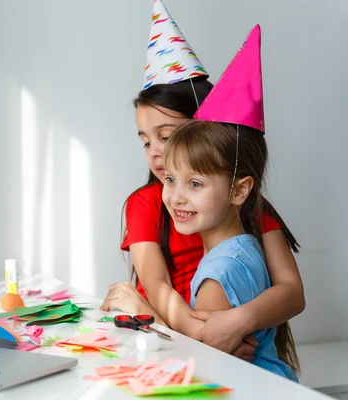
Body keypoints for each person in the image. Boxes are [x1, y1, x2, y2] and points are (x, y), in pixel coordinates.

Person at [101, 1, 304, 362]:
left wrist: (236, 323)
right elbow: (156, 286)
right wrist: (202, 335)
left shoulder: (246, 204)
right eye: (145, 140)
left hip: (215, 353)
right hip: (168, 343)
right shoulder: (148, 202)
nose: (156, 151)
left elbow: (291, 292)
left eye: (168, 135)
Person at [156, 25, 299, 381]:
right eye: (170, 179)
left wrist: (138, 308)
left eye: (195, 183)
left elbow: (202, 368)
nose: (176, 196)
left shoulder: (217, 275)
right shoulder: (246, 247)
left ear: (239, 190)